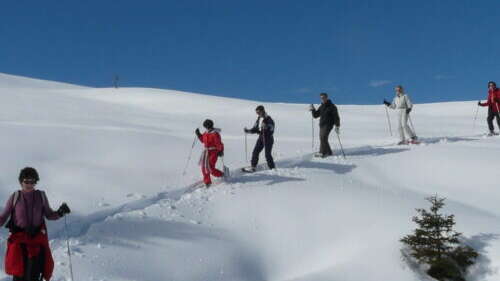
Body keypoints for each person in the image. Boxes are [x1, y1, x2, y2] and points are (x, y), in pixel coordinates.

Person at [0, 167, 71, 281]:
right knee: (18, 275)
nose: (29, 184)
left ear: (35, 182)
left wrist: (60, 212)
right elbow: (3, 217)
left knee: (33, 276)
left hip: (36, 242)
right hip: (19, 243)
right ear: (21, 182)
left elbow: (49, 214)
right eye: (26, 181)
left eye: (32, 181)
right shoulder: (15, 197)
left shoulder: (41, 196)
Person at [243, 105, 275, 172]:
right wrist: (248, 131)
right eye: (257, 112)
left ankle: (272, 169)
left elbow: (272, 128)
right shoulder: (258, 119)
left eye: (258, 112)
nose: (257, 114)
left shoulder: (269, 119)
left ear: (263, 111)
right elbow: (255, 129)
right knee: (255, 152)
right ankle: (253, 167)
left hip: (268, 139)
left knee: (267, 154)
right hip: (261, 138)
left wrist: (266, 127)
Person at [309, 93, 341, 158]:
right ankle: (329, 152)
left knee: (323, 137)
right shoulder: (321, 107)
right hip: (322, 125)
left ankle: (322, 152)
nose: (322, 99)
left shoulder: (332, 106)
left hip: (328, 125)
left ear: (327, 98)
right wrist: (312, 109)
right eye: (321, 98)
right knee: (323, 138)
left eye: (323, 97)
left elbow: (336, 117)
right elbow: (315, 115)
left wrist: (337, 126)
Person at [195, 119, 225, 187]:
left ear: (209, 126)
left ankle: (221, 174)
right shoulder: (206, 132)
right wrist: (198, 134)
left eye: (206, 126)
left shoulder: (215, 134)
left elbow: (219, 143)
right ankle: (207, 181)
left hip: (213, 152)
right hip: (206, 152)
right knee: (204, 167)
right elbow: (203, 140)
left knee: (210, 168)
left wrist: (220, 151)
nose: (205, 127)